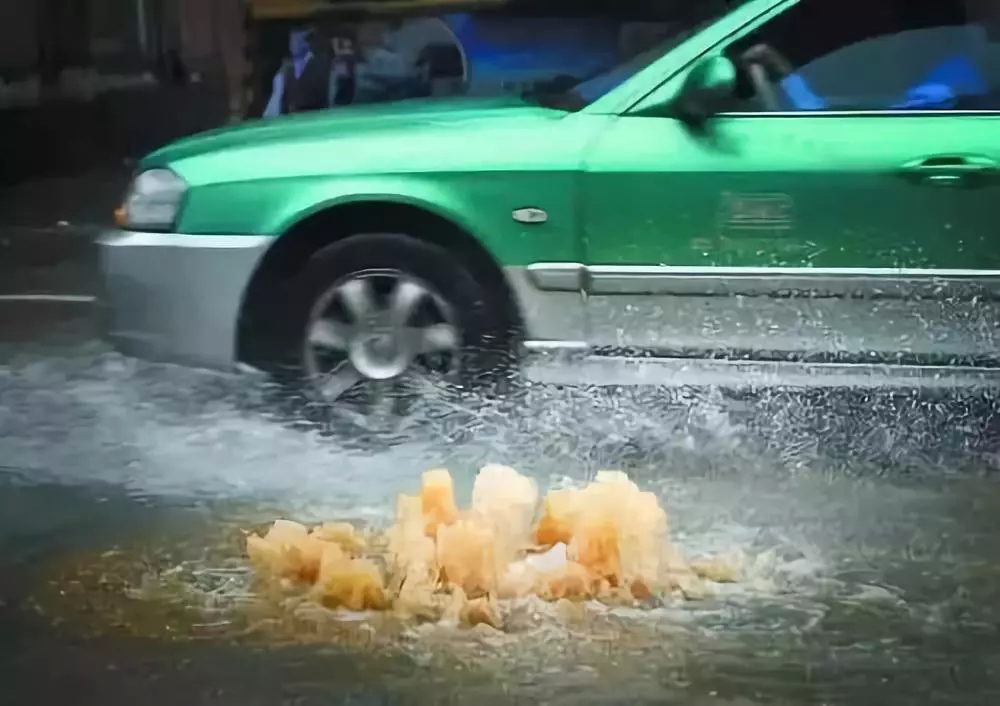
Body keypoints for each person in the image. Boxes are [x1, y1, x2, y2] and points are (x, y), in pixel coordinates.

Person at [263, 25, 333, 117]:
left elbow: (324, 93)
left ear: (308, 42)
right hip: (288, 119)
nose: (294, 44)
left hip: (314, 117)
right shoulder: (286, 67)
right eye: (292, 40)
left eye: (298, 40)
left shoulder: (321, 63)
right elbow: (277, 96)